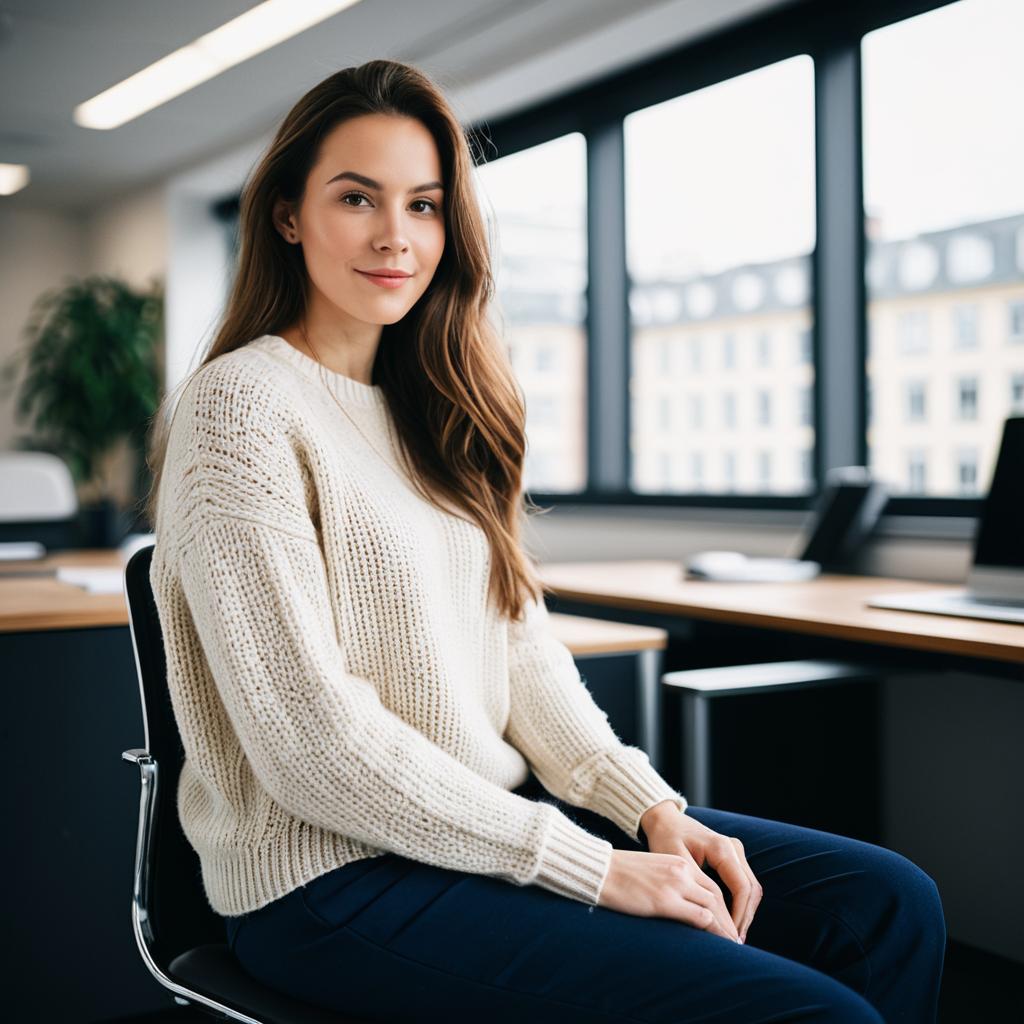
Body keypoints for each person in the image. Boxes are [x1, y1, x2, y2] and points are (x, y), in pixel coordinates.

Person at [145, 59, 945, 1023]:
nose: (397, 236)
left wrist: (649, 811)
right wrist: (596, 868)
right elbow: (313, 747)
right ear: (287, 215)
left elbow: (522, 654)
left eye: (426, 205)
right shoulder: (240, 405)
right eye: (358, 198)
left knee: (888, 904)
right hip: (332, 881)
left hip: (486, 828)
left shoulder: (436, 409)